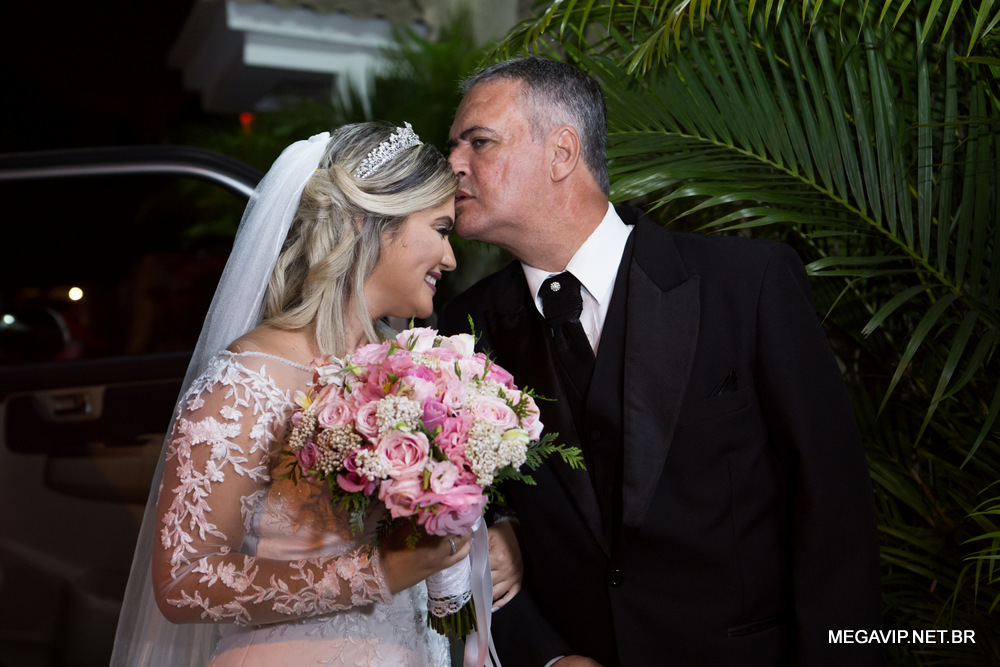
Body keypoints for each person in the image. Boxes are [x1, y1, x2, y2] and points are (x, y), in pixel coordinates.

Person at [439, 56, 882, 666]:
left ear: (561, 152)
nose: (453, 163)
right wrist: (544, 656)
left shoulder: (747, 286)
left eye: (479, 142)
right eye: (453, 145)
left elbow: (833, 511)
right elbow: (455, 533)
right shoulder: (461, 331)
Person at [111, 122, 512, 666]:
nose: (450, 259)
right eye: (441, 230)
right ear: (367, 222)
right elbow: (183, 580)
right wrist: (375, 573)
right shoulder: (248, 381)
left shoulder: (414, 371)